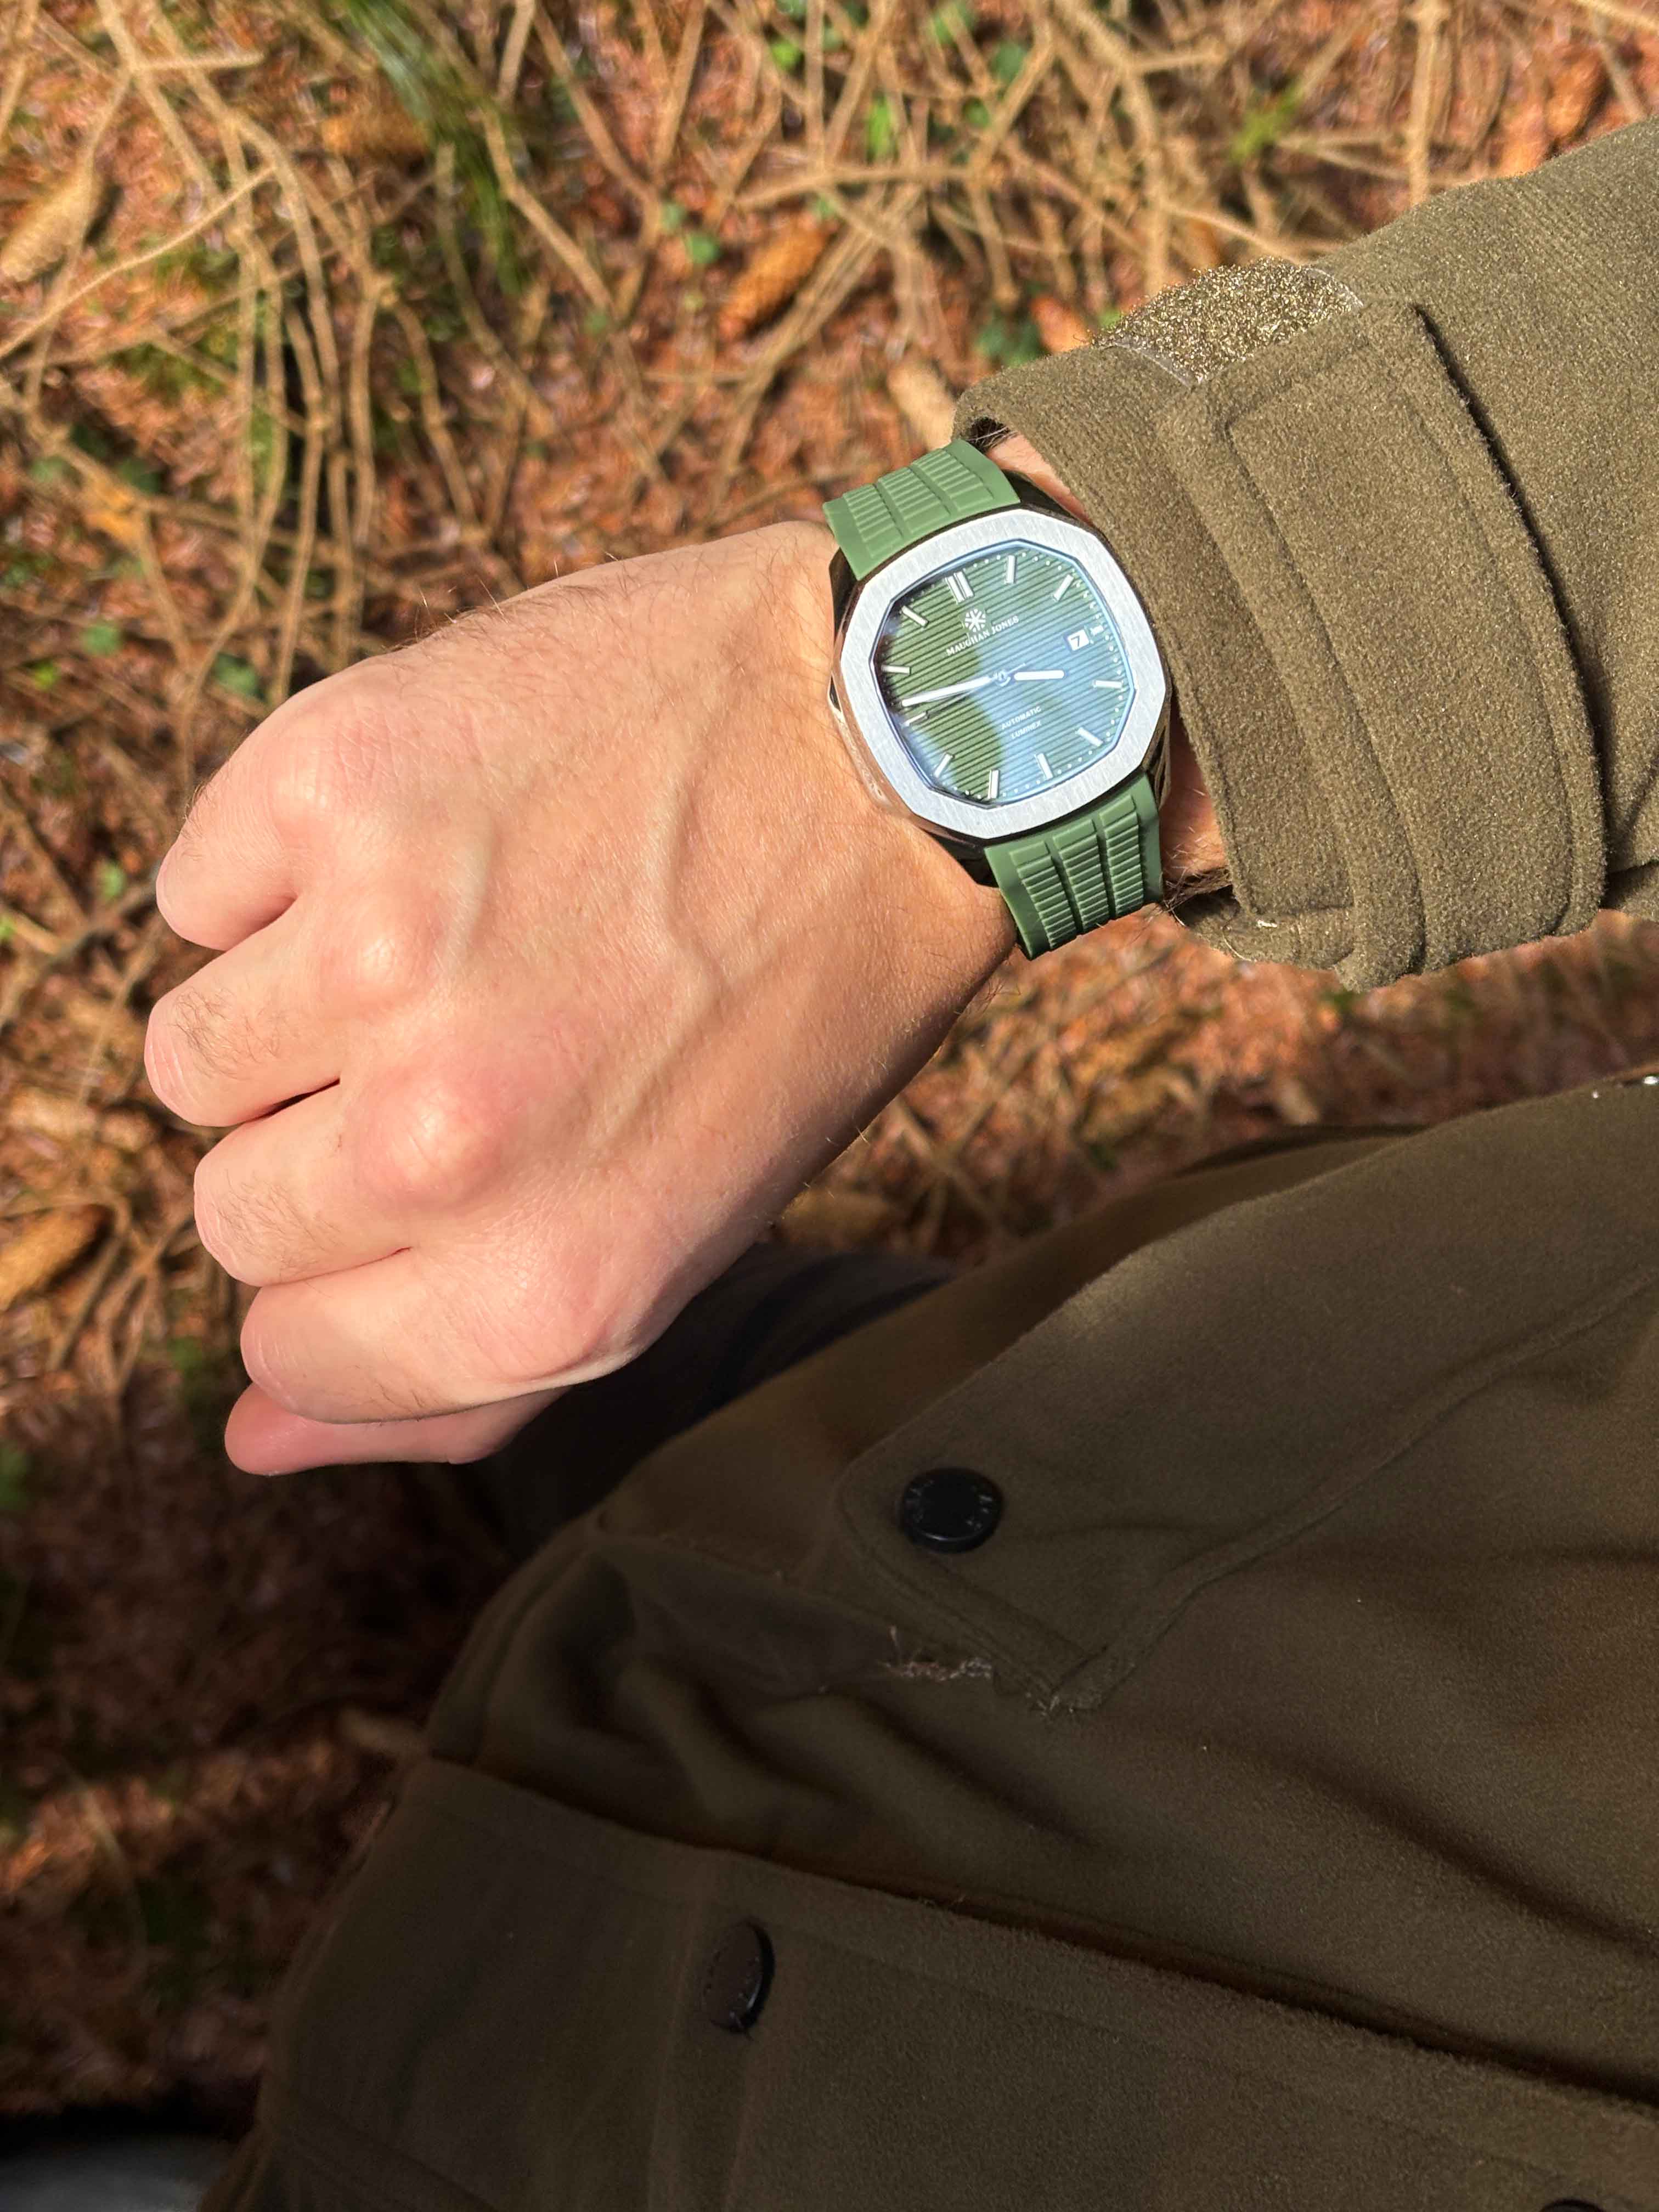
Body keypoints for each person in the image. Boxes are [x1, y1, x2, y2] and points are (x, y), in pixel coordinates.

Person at [127, 117, 1659, 2208]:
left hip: (500, 2124)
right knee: (802, 1414)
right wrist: (931, 728)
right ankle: (700, 1410)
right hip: (1279, 1445)